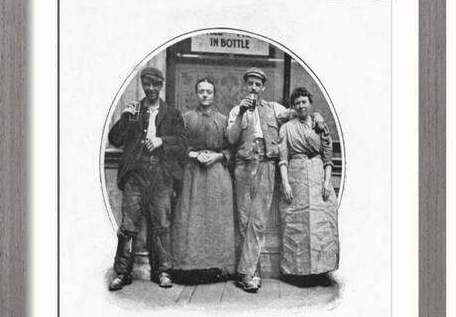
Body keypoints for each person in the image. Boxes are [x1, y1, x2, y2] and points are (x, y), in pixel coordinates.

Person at [227, 68, 324, 293]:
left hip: (267, 166)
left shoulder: (274, 108)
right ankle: (252, 269)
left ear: (263, 87)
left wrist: (316, 116)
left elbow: (298, 112)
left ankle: (246, 273)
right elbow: (231, 139)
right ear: (245, 86)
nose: (253, 88)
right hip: (244, 167)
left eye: (257, 84)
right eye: (249, 83)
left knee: (258, 221)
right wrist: (241, 113)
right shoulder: (236, 110)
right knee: (243, 220)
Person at [107, 66, 186, 291]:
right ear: (143, 85)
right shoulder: (134, 111)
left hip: (161, 175)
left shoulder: (172, 114)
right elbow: (115, 139)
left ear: (161, 86)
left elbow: (183, 144)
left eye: (155, 85)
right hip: (135, 175)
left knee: (161, 224)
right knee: (129, 226)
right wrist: (124, 119)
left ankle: (162, 272)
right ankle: (122, 273)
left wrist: (162, 141)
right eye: (147, 84)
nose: (151, 89)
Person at [171, 78, 235, 283]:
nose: (205, 95)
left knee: (216, 220)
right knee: (191, 218)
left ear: (214, 94)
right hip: (193, 174)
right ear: (196, 94)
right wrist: (194, 155)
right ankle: (189, 267)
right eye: (201, 91)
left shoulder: (224, 120)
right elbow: (178, 145)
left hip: (217, 174)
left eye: (209, 91)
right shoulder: (186, 118)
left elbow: (231, 148)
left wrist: (218, 156)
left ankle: (216, 266)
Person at [278, 87, 339, 286]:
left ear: (310, 103)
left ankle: (321, 272)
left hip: (318, 174)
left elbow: (328, 155)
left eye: (304, 102)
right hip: (296, 176)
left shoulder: (319, 125)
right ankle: (298, 272)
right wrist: (286, 183)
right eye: (297, 103)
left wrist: (327, 180)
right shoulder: (287, 127)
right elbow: (283, 158)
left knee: (321, 225)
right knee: (297, 224)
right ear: (293, 107)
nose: (301, 106)